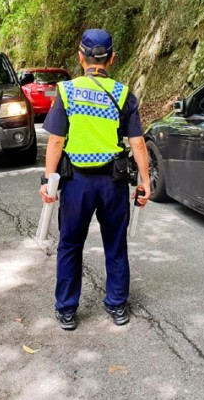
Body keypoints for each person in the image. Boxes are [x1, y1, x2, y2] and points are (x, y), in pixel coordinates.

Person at [39, 29, 151, 330]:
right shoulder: (123, 94)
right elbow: (137, 143)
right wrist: (145, 180)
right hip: (113, 184)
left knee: (70, 245)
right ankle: (117, 306)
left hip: (76, 185)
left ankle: (66, 310)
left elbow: (55, 142)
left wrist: (48, 180)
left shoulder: (66, 91)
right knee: (115, 244)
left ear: (80, 58)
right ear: (112, 59)